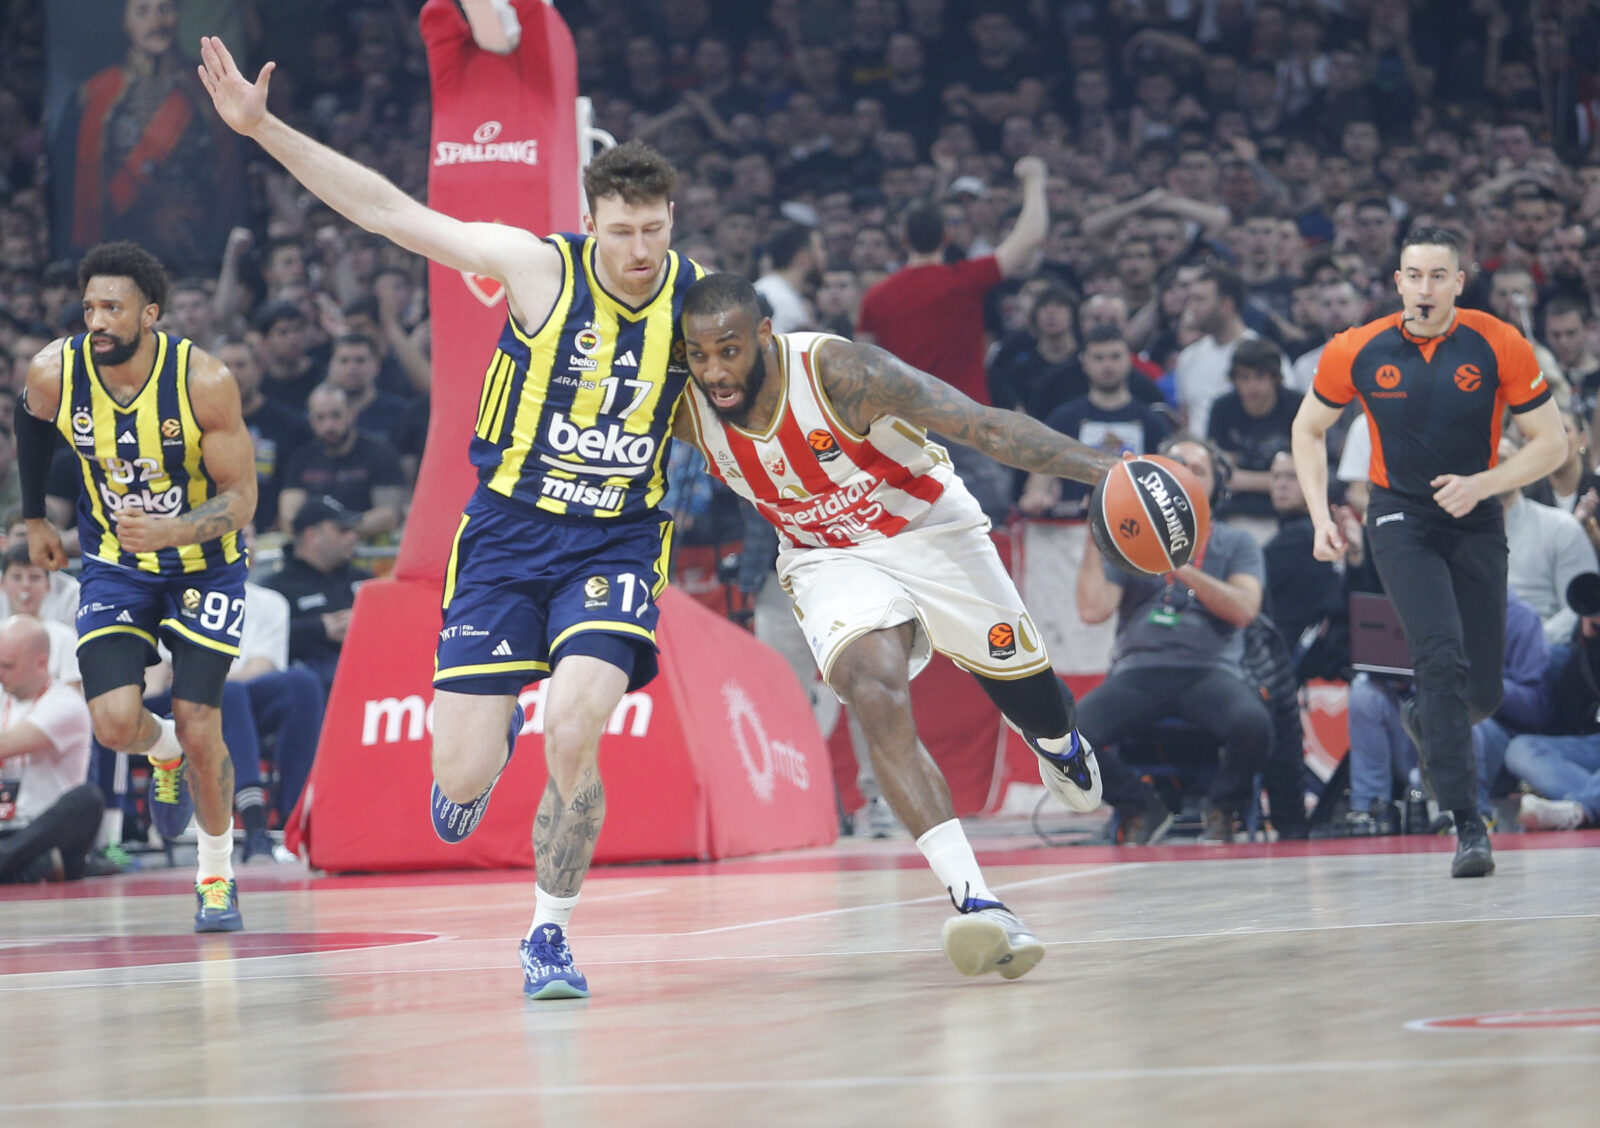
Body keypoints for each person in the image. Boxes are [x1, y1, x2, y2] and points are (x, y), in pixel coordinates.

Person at [200, 38, 705, 999]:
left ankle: (549, 937)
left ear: (672, 221)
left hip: (618, 539)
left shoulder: (699, 301)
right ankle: (477, 755)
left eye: (655, 231)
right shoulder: (535, 269)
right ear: (589, 219)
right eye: (623, 230)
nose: (640, 251)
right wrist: (265, 131)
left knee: (577, 719)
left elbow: (753, 410)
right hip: (509, 538)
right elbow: (390, 213)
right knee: (464, 780)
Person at [674, 273, 1111, 980]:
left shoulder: (844, 372)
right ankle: (978, 903)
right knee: (871, 689)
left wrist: (1107, 470)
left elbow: (988, 426)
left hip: (929, 528)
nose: (715, 371)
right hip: (824, 558)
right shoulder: (685, 405)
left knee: (1031, 697)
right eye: (698, 356)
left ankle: (1057, 741)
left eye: (729, 351)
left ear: (763, 336)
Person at [1291, 226, 1567, 878]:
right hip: (1399, 516)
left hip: (1476, 514)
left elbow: (1552, 443)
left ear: (1458, 282)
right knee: (1436, 654)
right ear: (1398, 283)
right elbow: (1307, 428)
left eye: (1437, 276)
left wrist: (1484, 484)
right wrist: (1317, 516)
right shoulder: (1357, 349)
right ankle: (1467, 824)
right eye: (1413, 276)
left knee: (1482, 693)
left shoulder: (1498, 342)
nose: (1424, 288)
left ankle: (1424, 717)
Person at [15, 240, 257, 928]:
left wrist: (176, 531)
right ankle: (164, 753)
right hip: (118, 566)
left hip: (206, 564)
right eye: (89, 306)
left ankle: (215, 874)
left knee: (202, 722)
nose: (97, 320)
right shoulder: (54, 372)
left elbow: (242, 500)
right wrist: (34, 518)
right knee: (116, 723)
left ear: (150, 313)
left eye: (113, 308)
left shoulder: (204, 381)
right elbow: (30, 424)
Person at [1075, 437, 1272, 846]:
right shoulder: (1129, 539)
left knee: (1254, 725)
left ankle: (1222, 806)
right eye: (1176, 466)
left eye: (1197, 470)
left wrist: (1177, 563)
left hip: (1210, 670)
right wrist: (1098, 529)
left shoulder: (1236, 543)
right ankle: (1142, 805)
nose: (1185, 476)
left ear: (1219, 483)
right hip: (1138, 670)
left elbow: (1244, 609)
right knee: (1063, 737)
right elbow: (1093, 610)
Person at [856, 157, 1049, 520]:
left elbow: (861, 369)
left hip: (902, 431)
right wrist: (1035, 180)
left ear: (902, 238)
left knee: (913, 522)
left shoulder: (876, 297)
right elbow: (1029, 237)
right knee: (985, 519)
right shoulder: (964, 279)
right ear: (947, 236)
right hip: (965, 422)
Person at [0, 616, 100, 884]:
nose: (0, 673)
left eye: (7, 666)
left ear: (41, 663)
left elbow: (6, 745)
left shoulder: (66, 704)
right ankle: (22, 866)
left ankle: (12, 861)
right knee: (34, 866)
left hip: (44, 827)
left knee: (87, 799)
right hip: (5, 826)